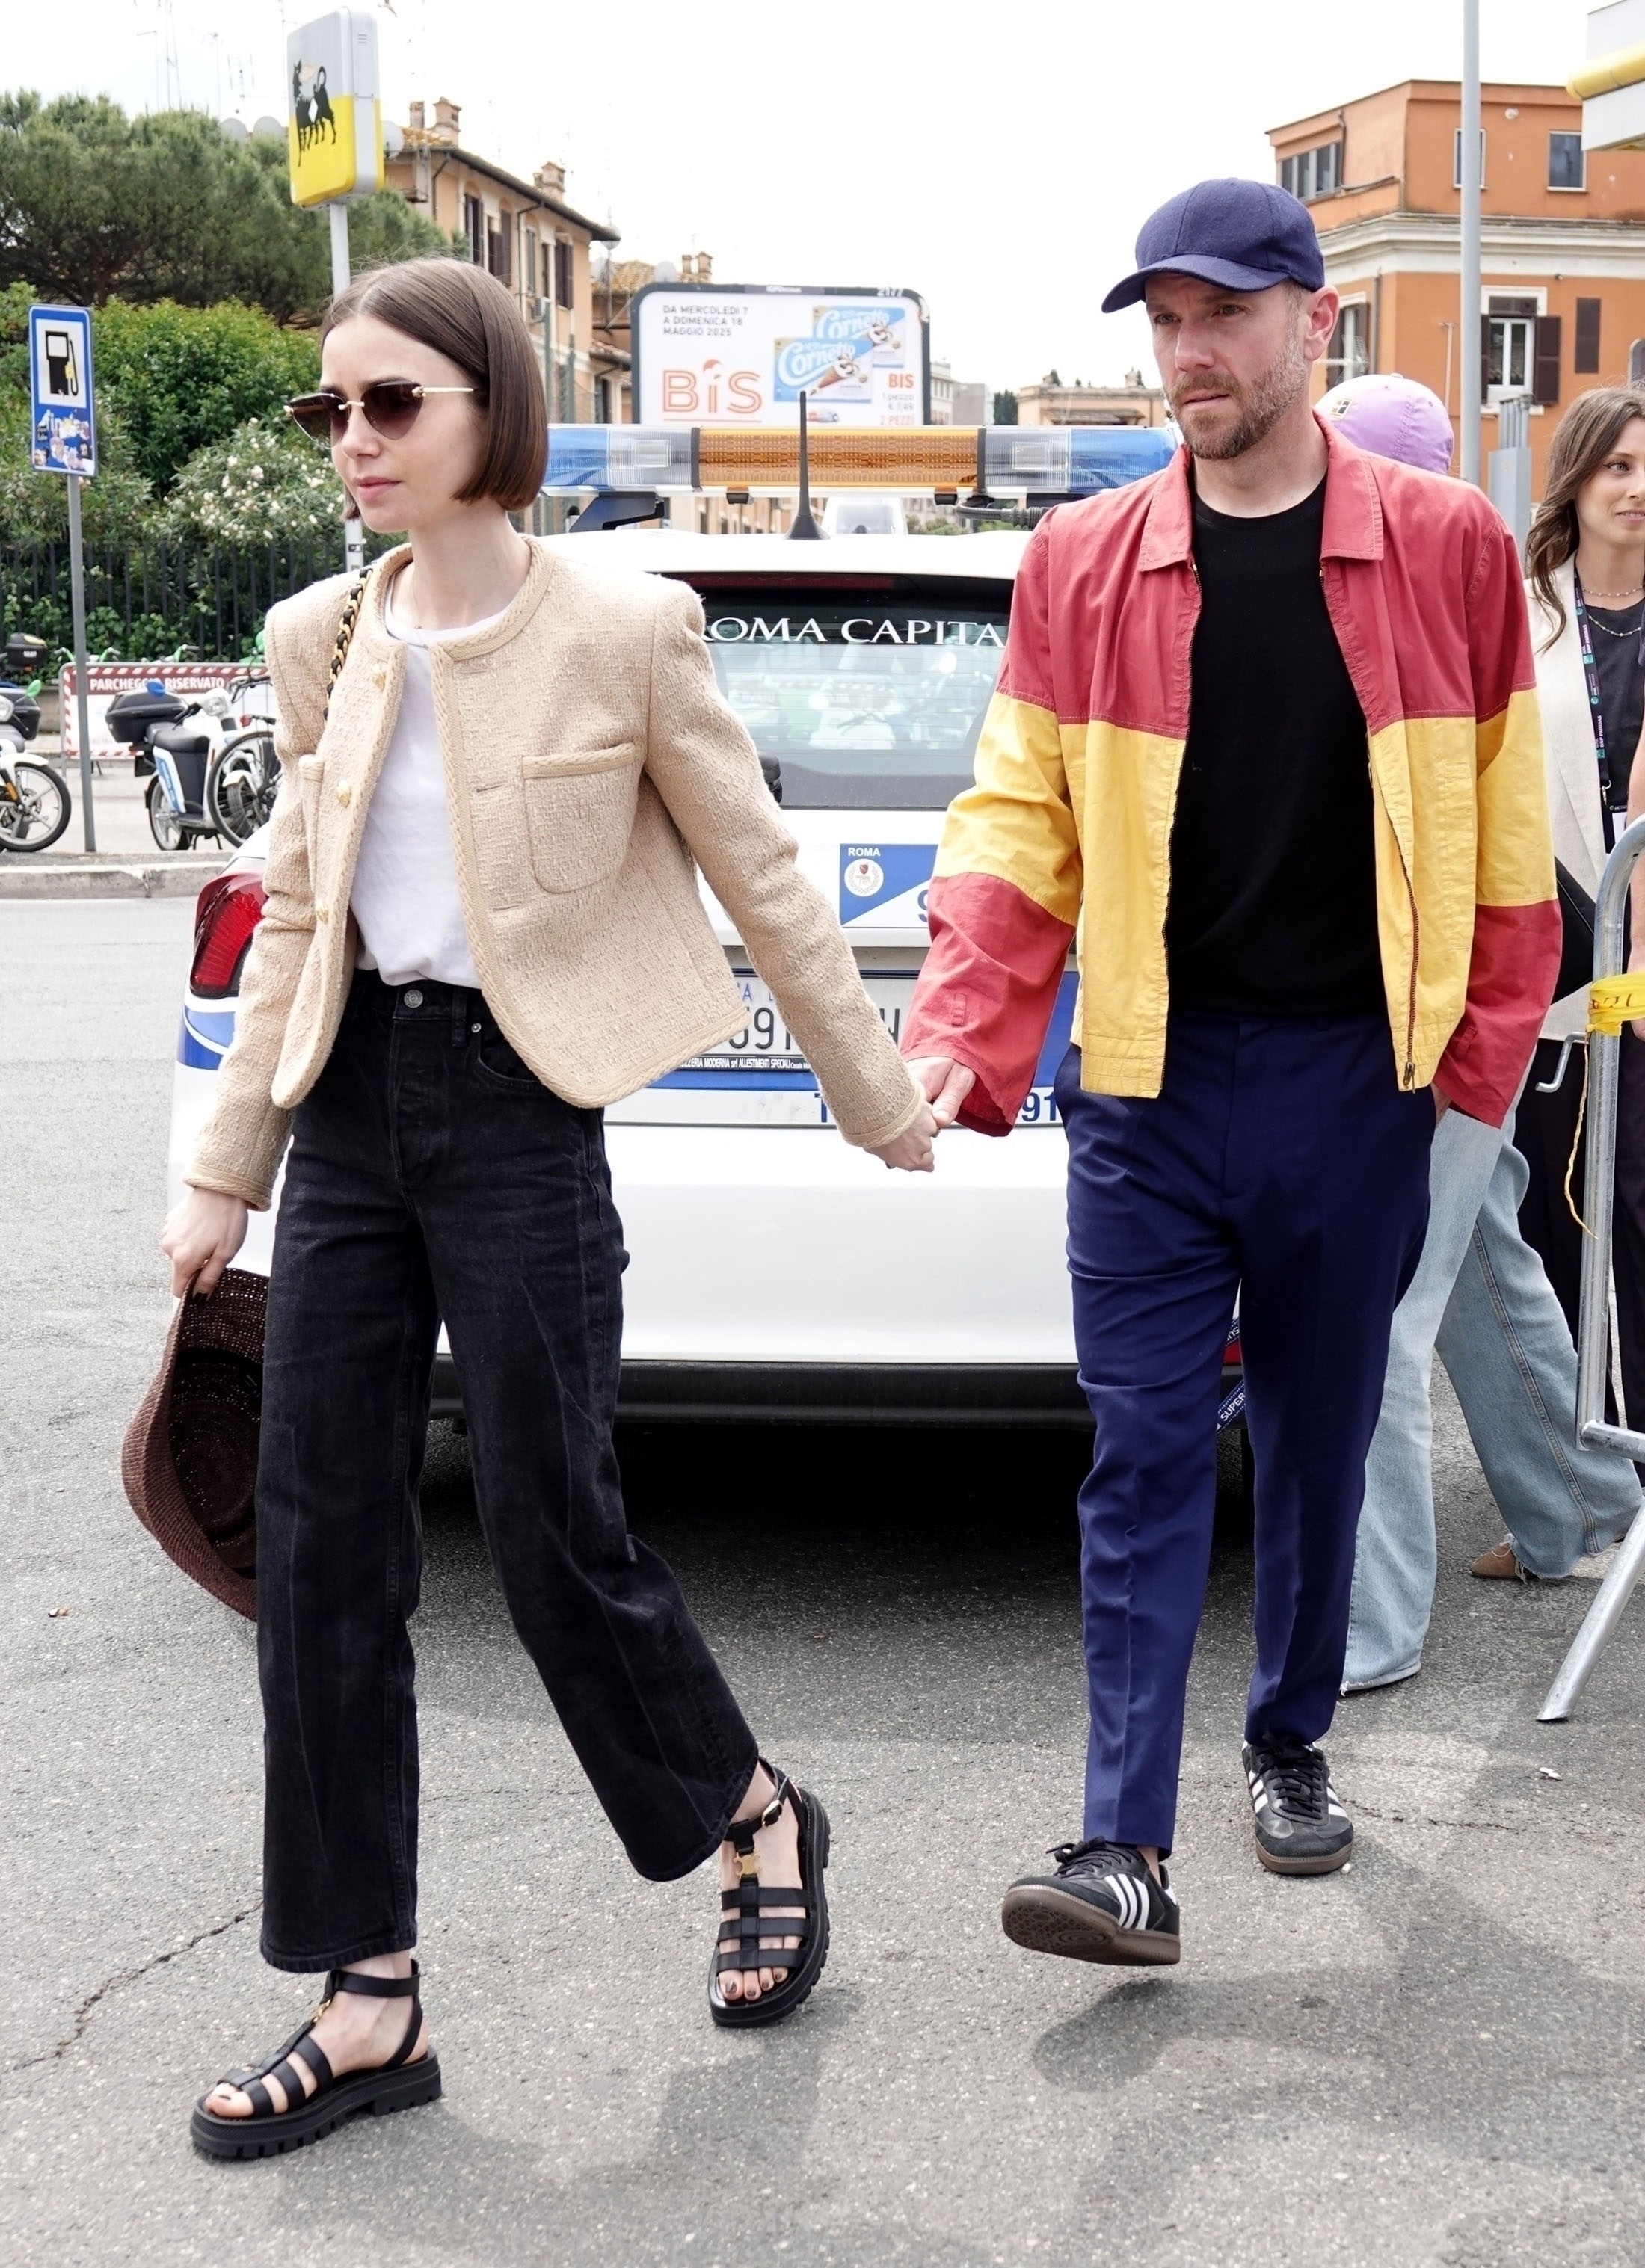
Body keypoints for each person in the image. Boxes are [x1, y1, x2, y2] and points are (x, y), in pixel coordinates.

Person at [162, 257, 937, 2158]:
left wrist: (875, 1091)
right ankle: (366, 1996)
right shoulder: (317, 636)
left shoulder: (625, 627)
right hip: (347, 1117)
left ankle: (750, 1808)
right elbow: (292, 911)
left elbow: (760, 872)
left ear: (489, 410)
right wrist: (219, 1177)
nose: (351, 441)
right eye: (327, 413)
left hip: (520, 1116)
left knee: (547, 1526)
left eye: (388, 406)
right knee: (325, 1547)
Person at [901, 179, 1561, 1968]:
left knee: (1320, 1435)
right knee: (1134, 1452)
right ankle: (1120, 1842)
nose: (1185, 355)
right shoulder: (1081, 560)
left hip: (1357, 1081)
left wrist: (1480, 1065)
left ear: (1309, 326)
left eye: (1219, 318)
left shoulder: (1443, 547)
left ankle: (1286, 1733)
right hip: (1143, 1080)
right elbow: (1014, 816)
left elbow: (1507, 825)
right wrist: (961, 1030)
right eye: (1162, 323)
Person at [1312, 378, 1644, 1692]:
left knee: (1383, 1309)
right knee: (1483, 1272)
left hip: (1444, 1016)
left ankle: (1369, 1627)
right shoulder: (1468, 595)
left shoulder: (1435, 605)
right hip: (1446, 1015)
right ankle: (1581, 1503)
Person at [1513, 388, 1645, 1447]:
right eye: (1617, 466)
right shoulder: (1522, 608)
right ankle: (1571, 1470)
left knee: (1640, 1212)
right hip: (1551, 964)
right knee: (1552, 1222)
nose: (1638, 489)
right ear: (1578, 477)